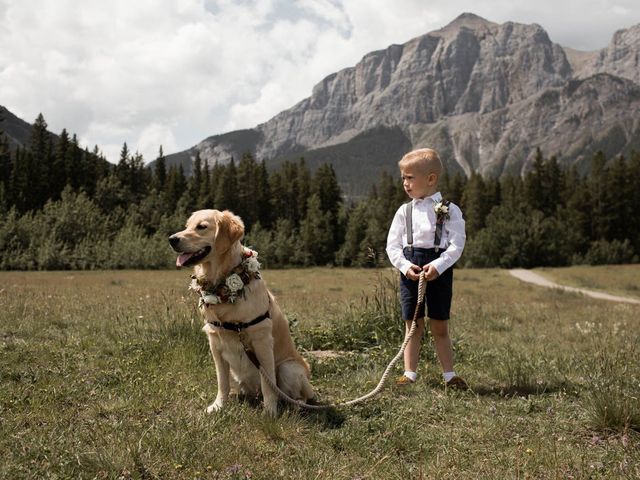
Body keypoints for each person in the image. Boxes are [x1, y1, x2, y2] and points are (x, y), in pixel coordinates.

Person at [386, 148, 468, 389]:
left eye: (410, 178)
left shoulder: (449, 209)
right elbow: (392, 246)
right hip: (411, 268)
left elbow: (456, 245)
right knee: (412, 323)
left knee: (439, 323)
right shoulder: (404, 211)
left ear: (431, 179)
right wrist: (404, 265)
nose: (405, 183)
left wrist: (439, 265)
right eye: (403, 178)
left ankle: (449, 374)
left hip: (438, 270)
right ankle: (409, 373)